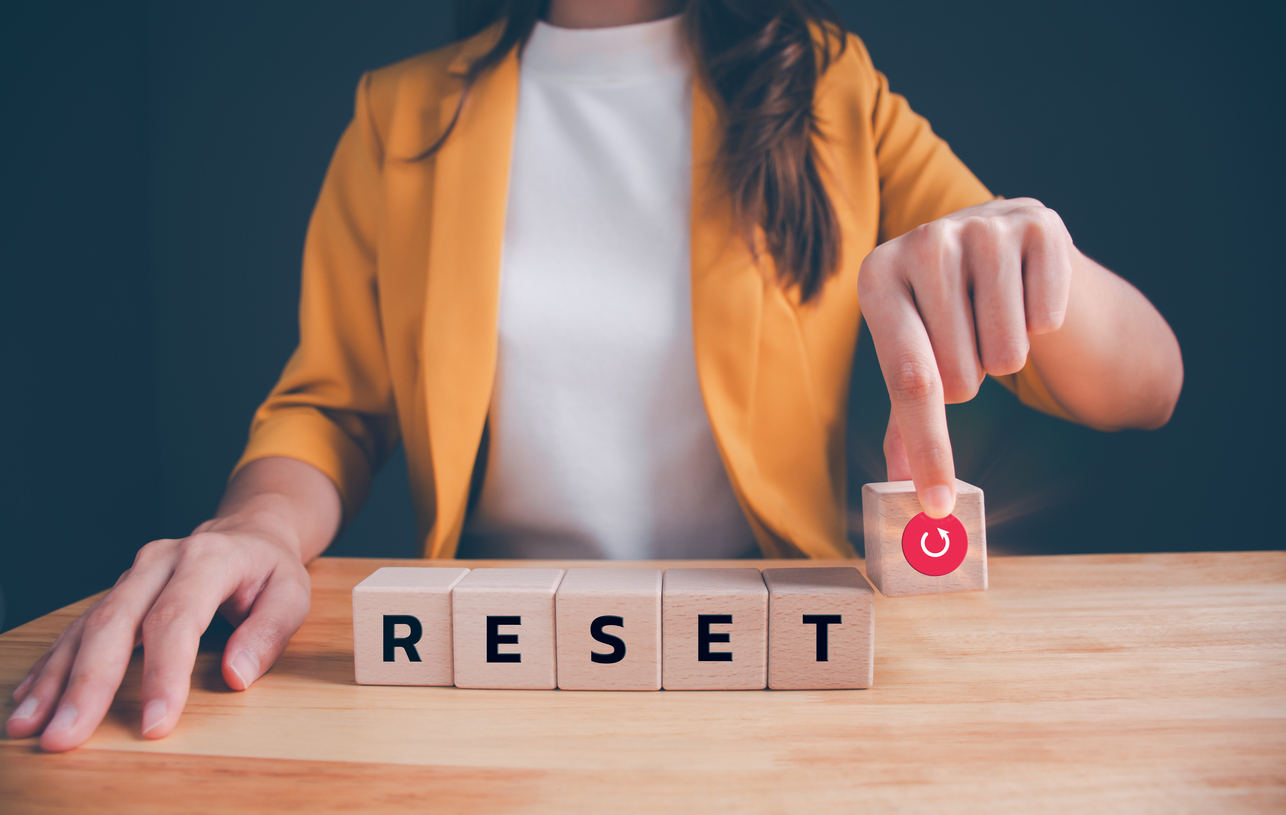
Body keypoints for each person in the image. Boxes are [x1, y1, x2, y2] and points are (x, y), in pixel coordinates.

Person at [8, 0, 1182, 752]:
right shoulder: (400, 114)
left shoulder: (829, 88)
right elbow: (332, 406)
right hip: (486, 679)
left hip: (770, 677)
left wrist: (1029, 255)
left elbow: (1147, 383)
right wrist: (256, 523)